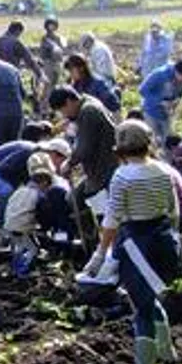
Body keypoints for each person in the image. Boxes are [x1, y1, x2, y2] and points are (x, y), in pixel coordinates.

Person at [101, 121, 182, 364]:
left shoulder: (123, 176)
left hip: (137, 243)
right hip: (163, 239)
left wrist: (102, 252)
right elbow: (174, 210)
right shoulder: (162, 170)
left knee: (142, 308)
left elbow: (112, 219)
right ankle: (166, 351)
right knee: (151, 297)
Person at [50, 86, 117, 253]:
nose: (64, 115)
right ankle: (92, 244)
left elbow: (85, 147)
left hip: (107, 171)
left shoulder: (89, 112)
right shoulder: (87, 106)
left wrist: (69, 163)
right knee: (75, 199)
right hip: (99, 170)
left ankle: (102, 248)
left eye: (62, 110)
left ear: (69, 102)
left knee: (109, 213)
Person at [2, 151, 58, 277]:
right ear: (43, 183)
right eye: (46, 186)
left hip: (9, 225)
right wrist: (46, 227)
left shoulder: (19, 191)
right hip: (22, 228)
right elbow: (43, 215)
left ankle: (14, 269)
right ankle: (23, 271)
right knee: (33, 249)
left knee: (18, 247)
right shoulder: (38, 195)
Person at [137, 59, 182, 144]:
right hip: (151, 111)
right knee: (153, 141)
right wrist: (161, 101)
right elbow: (142, 90)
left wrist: (175, 103)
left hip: (166, 113)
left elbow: (180, 93)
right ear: (177, 72)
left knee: (168, 141)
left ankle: (167, 155)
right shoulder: (160, 75)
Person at [0, 21, 41, 88]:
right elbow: (30, 60)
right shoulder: (16, 43)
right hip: (11, 74)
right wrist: (40, 74)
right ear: (18, 31)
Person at [37, 19, 66, 103]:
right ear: (46, 26)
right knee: (47, 85)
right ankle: (45, 106)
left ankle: (53, 105)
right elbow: (42, 53)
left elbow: (62, 50)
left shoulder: (58, 38)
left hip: (57, 63)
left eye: (53, 25)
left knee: (56, 85)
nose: (51, 27)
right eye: (50, 25)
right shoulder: (45, 38)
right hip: (48, 63)